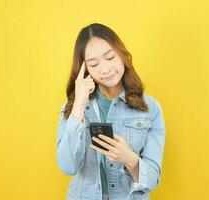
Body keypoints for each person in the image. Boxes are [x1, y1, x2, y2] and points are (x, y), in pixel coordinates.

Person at [56, 23, 166, 200]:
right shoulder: (72, 108)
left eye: (110, 57)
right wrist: (78, 106)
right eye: (94, 64)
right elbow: (68, 167)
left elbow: (151, 181)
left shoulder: (150, 109)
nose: (105, 69)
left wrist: (128, 158)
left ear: (122, 55)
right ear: (85, 69)